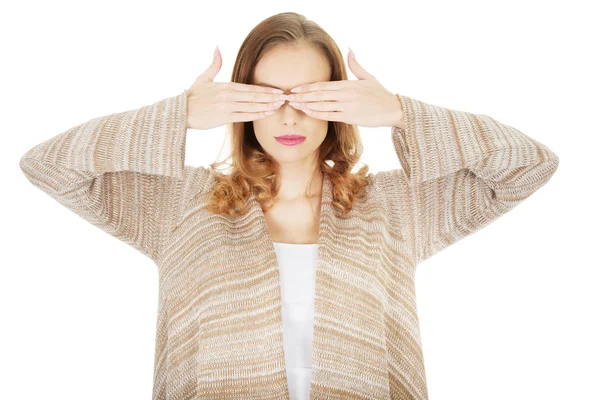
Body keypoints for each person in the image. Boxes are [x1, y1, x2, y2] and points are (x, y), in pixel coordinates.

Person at [19, 11, 559, 400]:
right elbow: (48, 165)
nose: (289, 117)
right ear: (240, 103)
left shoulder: (393, 208)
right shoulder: (183, 204)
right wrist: (175, 115)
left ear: (340, 103)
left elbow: (529, 165)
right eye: (267, 97)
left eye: (312, 96)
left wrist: (400, 112)